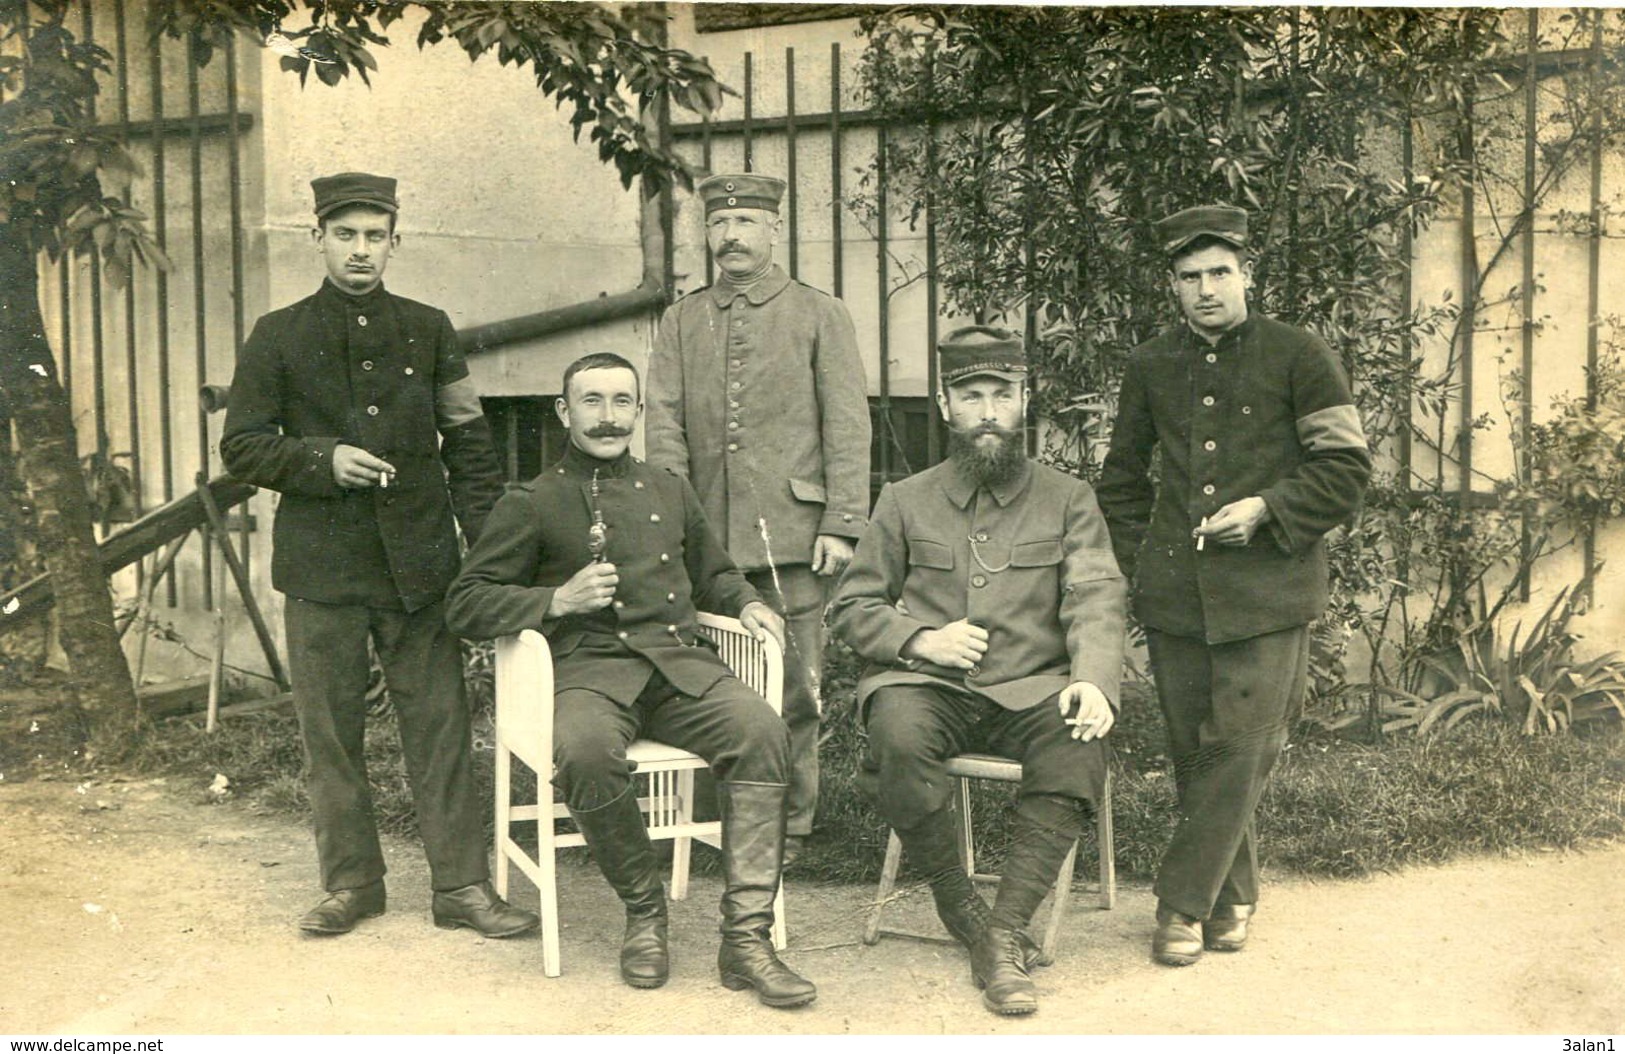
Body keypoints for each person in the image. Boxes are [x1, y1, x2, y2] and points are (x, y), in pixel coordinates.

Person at [444, 352, 818, 1008]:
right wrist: (554, 600)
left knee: (761, 728)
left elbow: (714, 573)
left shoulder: (669, 488)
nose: (607, 416)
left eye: (622, 401)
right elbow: (466, 601)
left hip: (679, 666)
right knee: (585, 750)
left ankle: (747, 939)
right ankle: (645, 914)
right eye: (591, 401)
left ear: (639, 412)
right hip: (588, 675)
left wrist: (748, 603)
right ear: (564, 412)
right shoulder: (531, 502)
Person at [222, 172, 537, 939]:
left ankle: (460, 886)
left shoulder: (429, 329)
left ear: (394, 242)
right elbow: (241, 447)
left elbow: (468, 443)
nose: (360, 250)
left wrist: (487, 552)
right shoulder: (278, 334)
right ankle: (352, 883)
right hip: (321, 572)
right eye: (345, 235)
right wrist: (321, 461)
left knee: (441, 730)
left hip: (420, 567)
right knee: (330, 734)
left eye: (374, 236)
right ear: (319, 239)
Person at [1097, 204, 1372, 967]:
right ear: (1172, 286)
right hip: (1176, 596)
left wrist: (1266, 509)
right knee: (1194, 753)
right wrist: (1140, 562)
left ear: (1246, 274)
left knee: (1240, 747)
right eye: (1189, 277)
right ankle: (1233, 896)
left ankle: (1181, 905)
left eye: (1219, 272)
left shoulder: (1299, 354)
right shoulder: (1151, 364)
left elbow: (1345, 469)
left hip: (1269, 593)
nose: (1206, 289)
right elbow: (1120, 480)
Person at [828, 326, 1127, 1017]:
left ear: (1025, 402)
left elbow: (1096, 595)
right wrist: (919, 640)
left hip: (1033, 685)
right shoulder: (905, 499)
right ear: (944, 404)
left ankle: (1004, 929)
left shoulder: (1067, 497)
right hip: (930, 687)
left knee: (1076, 738)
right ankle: (959, 905)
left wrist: (1091, 677)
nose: (987, 411)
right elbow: (851, 607)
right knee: (897, 735)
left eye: (1002, 394)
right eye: (971, 396)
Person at [645, 172, 872, 860]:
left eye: (746, 223)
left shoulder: (816, 313)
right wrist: (670, 524)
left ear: (774, 229)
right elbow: (662, 425)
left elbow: (847, 424)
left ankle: (790, 822)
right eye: (718, 224)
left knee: (793, 685)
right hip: (704, 536)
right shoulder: (683, 318)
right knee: (708, 683)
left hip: (793, 537)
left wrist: (841, 520)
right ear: (706, 233)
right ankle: (718, 820)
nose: (731, 237)